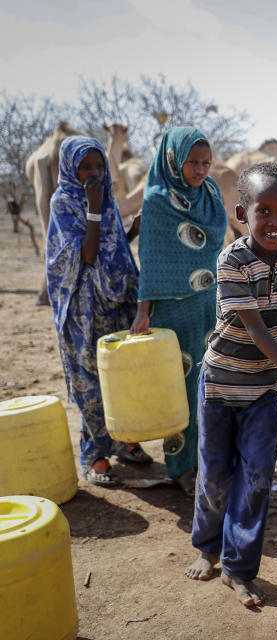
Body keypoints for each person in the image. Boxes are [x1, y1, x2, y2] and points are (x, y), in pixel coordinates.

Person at [183, 162, 277, 607]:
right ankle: (207, 546)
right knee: (214, 476)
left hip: (265, 388)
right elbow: (257, 331)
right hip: (222, 385)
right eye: (264, 210)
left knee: (257, 477)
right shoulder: (231, 261)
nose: (275, 222)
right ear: (242, 213)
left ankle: (238, 568)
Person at [130, 126, 227, 493]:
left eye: (206, 163)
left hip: (210, 302)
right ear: (174, 160)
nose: (201, 170)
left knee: (213, 383)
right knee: (179, 387)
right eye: (193, 163)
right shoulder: (156, 202)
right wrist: (143, 312)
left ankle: (211, 459)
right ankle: (181, 467)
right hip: (171, 310)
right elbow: (151, 260)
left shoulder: (212, 193)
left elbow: (218, 246)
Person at [45, 135, 143, 487]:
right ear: (70, 168)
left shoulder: (106, 197)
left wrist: (130, 232)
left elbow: (107, 248)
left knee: (121, 374)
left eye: (98, 166)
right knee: (90, 378)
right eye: (85, 167)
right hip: (83, 308)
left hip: (114, 300)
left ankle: (123, 439)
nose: (93, 173)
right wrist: (93, 207)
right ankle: (95, 453)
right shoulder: (64, 202)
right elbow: (85, 256)